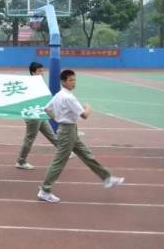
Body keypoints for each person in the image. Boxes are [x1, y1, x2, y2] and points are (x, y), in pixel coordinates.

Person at [38, 69, 124, 203]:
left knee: (87, 155)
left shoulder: (59, 95)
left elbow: (47, 109)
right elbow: (84, 115)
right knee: (58, 162)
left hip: (69, 130)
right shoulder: (69, 97)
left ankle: (107, 178)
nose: (73, 82)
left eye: (74, 80)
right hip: (67, 132)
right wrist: (88, 107)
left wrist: (58, 119)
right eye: (70, 80)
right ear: (63, 82)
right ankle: (44, 190)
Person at [15, 62, 58, 170]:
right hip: (33, 115)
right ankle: (21, 161)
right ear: (33, 72)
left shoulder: (40, 82)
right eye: (39, 71)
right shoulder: (30, 84)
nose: (42, 73)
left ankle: (65, 151)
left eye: (42, 70)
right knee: (30, 139)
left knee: (51, 134)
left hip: (40, 113)